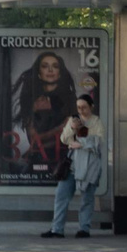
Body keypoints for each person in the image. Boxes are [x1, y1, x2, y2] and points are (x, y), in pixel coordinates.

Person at [7, 50, 76, 180]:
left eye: (55, 66)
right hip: (38, 160)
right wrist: (59, 129)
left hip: (64, 161)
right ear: (39, 73)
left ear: (60, 72)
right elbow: (34, 137)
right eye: (45, 66)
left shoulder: (69, 99)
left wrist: (43, 140)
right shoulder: (31, 98)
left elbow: (70, 132)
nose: (50, 70)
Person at [44, 94, 105, 238]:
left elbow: (99, 142)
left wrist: (81, 143)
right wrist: (72, 128)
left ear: (91, 107)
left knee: (87, 198)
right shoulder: (73, 120)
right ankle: (57, 229)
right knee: (61, 195)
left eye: (84, 107)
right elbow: (64, 139)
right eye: (78, 107)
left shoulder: (96, 122)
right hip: (73, 165)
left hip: (89, 166)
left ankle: (84, 228)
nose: (81, 110)